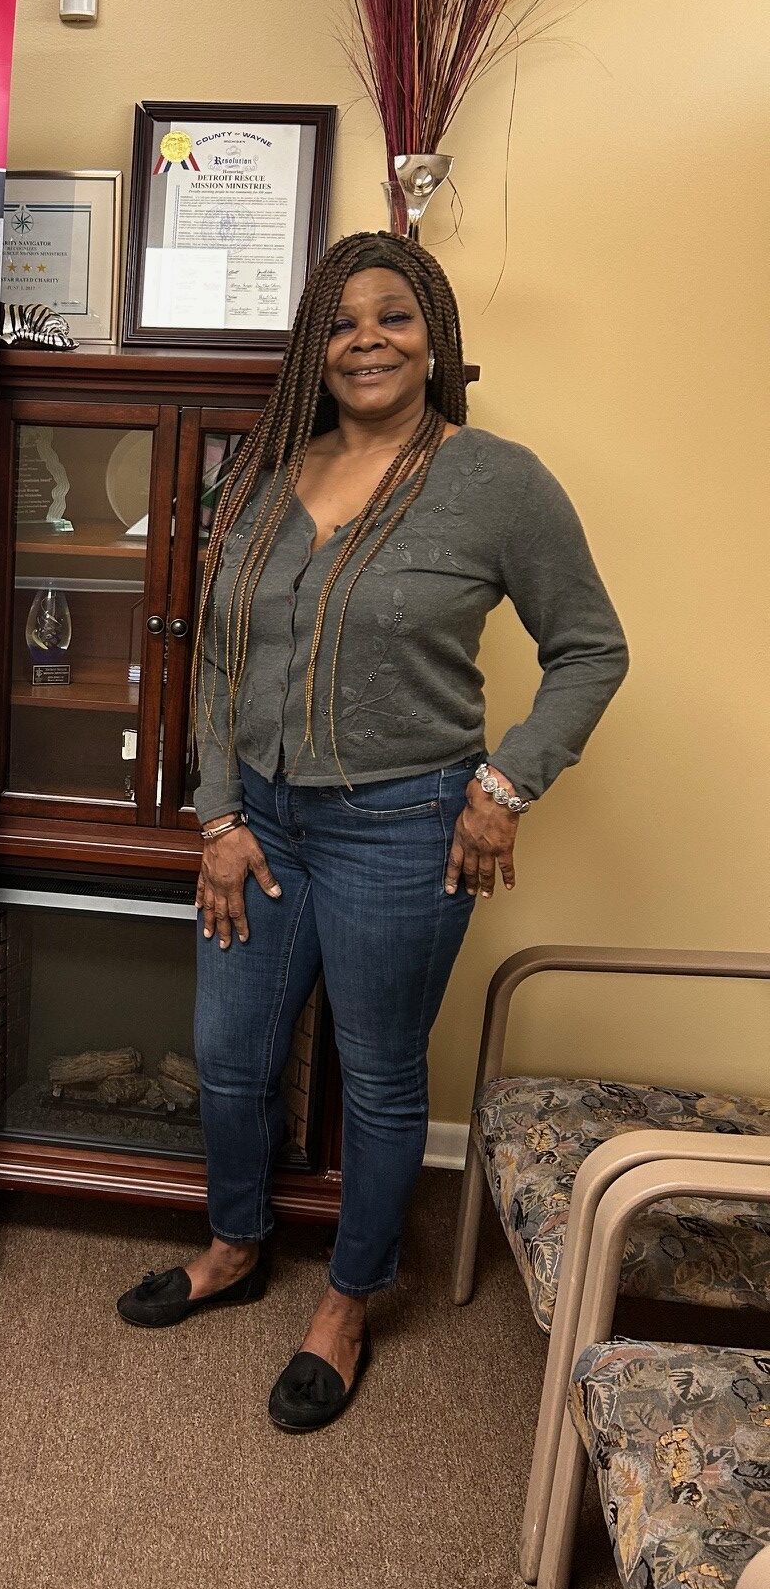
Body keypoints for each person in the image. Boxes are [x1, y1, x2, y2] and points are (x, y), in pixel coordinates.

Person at [116, 231, 628, 1432]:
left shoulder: (496, 480)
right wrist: (219, 814)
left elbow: (590, 649)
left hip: (403, 827)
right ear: (315, 345)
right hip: (260, 827)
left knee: (384, 1078)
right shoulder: (261, 473)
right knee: (232, 1056)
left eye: (394, 316)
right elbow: (216, 654)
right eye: (342, 320)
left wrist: (504, 787)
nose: (367, 338)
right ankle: (236, 1244)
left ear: (433, 337)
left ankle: (348, 1301)